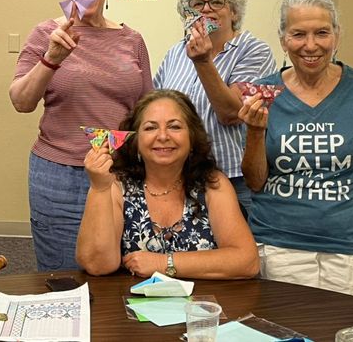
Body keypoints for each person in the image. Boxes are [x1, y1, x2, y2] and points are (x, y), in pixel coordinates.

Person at [9, 0, 153, 271]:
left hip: (120, 170)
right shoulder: (46, 34)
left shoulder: (132, 40)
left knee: (119, 265)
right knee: (62, 272)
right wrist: (51, 59)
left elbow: (147, 110)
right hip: (58, 174)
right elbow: (20, 101)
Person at [238, 0, 353, 296]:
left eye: (321, 33)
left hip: (348, 248)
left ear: (337, 35)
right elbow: (254, 181)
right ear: (283, 40)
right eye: (298, 34)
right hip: (279, 245)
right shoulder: (263, 94)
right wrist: (255, 131)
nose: (311, 45)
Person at [76, 89, 259, 279]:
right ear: (135, 140)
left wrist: (163, 263)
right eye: (150, 128)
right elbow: (97, 265)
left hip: (200, 305)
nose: (163, 136)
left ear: (192, 138)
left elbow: (247, 261)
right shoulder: (115, 185)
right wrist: (99, 188)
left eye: (175, 127)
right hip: (129, 304)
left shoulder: (213, 184)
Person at [154, 0, 276, 213]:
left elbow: (232, 113)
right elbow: (154, 107)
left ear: (234, 11)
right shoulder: (177, 52)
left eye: (216, 2)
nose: (206, 9)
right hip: (179, 177)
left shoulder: (254, 51)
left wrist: (203, 61)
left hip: (232, 179)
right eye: (198, 3)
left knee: (233, 250)